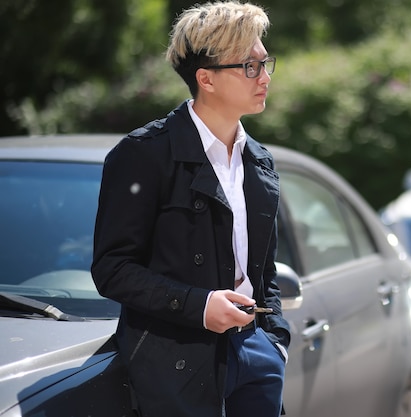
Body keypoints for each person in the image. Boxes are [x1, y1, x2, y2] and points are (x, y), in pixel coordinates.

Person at [91, 2, 290, 416]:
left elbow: (264, 269)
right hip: (175, 361)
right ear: (206, 78)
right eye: (250, 67)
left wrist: (275, 342)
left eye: (265, 62)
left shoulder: (260, 160)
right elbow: (112, 268)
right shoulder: (143, 154)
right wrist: (198, 305)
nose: (265, 76)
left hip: (255, 352)